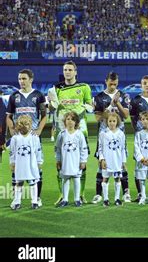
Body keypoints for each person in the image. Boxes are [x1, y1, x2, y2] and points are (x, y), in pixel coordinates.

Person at [49, 61, 93, 205]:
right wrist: (50, 104)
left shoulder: (84, 87)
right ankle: (63, 195)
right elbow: (52, 108)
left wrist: (83, 107)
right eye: (65, 70)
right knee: (60, 162)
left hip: (80, 129)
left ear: (75, 72)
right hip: (62, 129)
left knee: (82, 163)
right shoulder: (56, 88)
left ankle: (80, 195)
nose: (67, 72)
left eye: (70, 69)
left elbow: (90, 106)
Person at [6, 69, 47, 207]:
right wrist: (12, 129)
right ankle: (16, 199)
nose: (21, 81)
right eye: (19, 79)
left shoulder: (39, 95)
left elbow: (44, 115)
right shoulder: (14, 96)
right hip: (18, 137)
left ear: (31, 79)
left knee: (37, 168)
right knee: (16, 167)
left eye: (24, 78)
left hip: (33, 137)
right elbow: (9, 117)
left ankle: (37, 198)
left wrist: (39, 129)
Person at [92, 72, 131, 204]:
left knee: (122, 164)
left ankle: (126, 192)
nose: (113, 86)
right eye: (110, 83)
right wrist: (107, 110)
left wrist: (117, 103)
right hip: (104, 135)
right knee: (101, 163)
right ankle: (99, 194)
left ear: (118, 82)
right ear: (106, 81)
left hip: (120, 135)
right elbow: (97, 118)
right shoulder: (99, 97)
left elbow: (126, 116)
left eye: (115, 83)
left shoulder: (123, 95)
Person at [9, 115, 43, 210]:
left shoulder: (34, 137)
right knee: (19, 182)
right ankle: (17, 202)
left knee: (33, 182)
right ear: (19, 126)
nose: (26, 126)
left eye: (28, 124)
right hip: (20, 165)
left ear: (31, 125)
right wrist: (12, 163)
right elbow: (12, 152)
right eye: (23, 124)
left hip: (31, 164)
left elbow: (38, 150)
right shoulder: (15, 138)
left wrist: (39, 162)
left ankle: (34, 201)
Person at [55, 111, 89, 208]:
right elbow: (57, 149)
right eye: (68, 119)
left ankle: (77, 199)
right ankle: (65, 199)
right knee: (65, 179)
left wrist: (83, 160)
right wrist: (58, 160)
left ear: (76, 122)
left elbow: (83, 148)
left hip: (76, 161)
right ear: (65, 121)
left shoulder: (79, 134)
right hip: (65, 161)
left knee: (76, 179)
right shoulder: (61, 134)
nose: (70, 122)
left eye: (72, 120)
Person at [98, 112, 127, 207]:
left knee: (117, 179)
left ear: (117, 122)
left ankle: (117, 198)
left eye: (114, 121)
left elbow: (123, 148)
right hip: (107, 161)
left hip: (117, 161)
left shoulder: (121, 134)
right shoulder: (103, 134)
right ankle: (106, 199)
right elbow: (100, 148)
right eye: (110, 121)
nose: (112, 123)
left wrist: (123, 161)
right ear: (107, 122)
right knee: (105, 179)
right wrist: (102, 159)